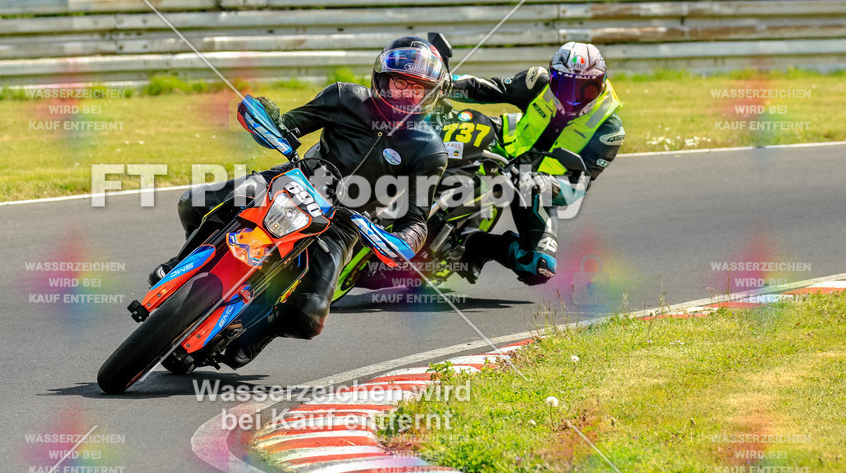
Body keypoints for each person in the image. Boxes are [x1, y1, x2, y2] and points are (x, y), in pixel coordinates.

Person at [151, 36, 450, 367]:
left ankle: (256, 334)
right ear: (382, 78)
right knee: (194, 202)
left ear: (431, 94)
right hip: (292, 181)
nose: (406, 93)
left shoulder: (429, 150)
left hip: (345, 224)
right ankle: (181, 265)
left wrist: (400, 241)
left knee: (310, 314)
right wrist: (265, 121)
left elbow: (416, 220)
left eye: (417, 87)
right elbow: (288, 126)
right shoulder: (344, 97)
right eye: (400, 82)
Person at [449, 42, 625, 286]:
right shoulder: (538, 82)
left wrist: (547, 184)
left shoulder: (609, 130)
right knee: (460, 125)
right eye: (566, 86)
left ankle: (475, 246)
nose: (575, 97)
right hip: (499, 146)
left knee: (539, 266)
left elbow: (578, 186)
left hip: (533, 187)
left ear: (602, 83)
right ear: (553, 78)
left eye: (587, 89)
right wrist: (444, 85)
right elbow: (490, 89)